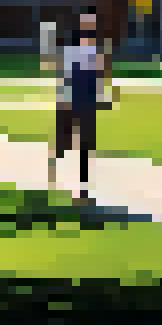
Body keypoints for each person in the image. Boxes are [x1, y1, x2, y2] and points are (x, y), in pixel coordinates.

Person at [50, 13, 110, 203]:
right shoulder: (72, 52)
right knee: (66, 143)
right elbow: (66, 78)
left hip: (87, 105)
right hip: (74, 102)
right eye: (86, 25)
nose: (89, 29)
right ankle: (57, 175)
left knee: (85, 146)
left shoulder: (97, 52)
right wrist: (63, 101)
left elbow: (99, 79)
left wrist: (101, 98)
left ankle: (83, 186)